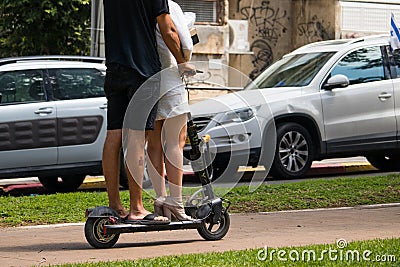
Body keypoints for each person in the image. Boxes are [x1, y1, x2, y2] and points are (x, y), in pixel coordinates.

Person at [102, 0, 195, 224]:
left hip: (115, 68)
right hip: (142, 71)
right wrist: (183, 62)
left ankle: (115, 205)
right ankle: (137, 209)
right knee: (136, 137)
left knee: (114, 136)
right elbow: (168, 29)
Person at [146, 0, 194, 221]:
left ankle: (160, 200)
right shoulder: (169, 5)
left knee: (154, 144)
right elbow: (182, 39)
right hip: (170, 76)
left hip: (147, 77)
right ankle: (175, 201)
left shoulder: (138, 6)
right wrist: (185, 61)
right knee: (175, 141)